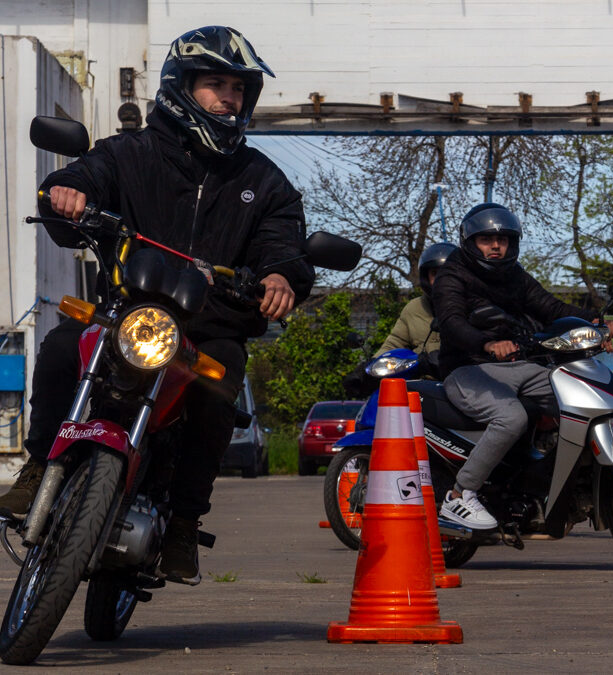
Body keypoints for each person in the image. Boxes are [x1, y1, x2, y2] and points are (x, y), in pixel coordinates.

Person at [0, 26, 315, 582]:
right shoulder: (130, 153)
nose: (229, 98)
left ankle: (185, 524)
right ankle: (37, 466)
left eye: (238, 89)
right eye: (215, 84)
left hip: (209, 327)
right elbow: (85, 176)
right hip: (126, 312)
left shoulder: (263, 181)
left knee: (219, 394)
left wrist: (281, 277)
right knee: (60, 347)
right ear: (181, 87)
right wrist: (68, 190)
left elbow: (283, 244)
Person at [433, 203, 613, 529]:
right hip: (467, 368)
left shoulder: (514, 275)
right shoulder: (453, 274)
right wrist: (486, 344)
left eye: (502, 239)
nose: (495, 246)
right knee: (511, 417)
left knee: (581, 395)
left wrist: (595, 323)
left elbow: (550, 306)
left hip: (518, 366)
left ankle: (561, 484)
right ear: (470, 242)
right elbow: (451, 322)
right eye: (486, 240)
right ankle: (460, 495)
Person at [375, 242, 456, 356]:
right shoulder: (415, 308)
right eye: (435, 274)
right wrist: (371, 366)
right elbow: (394, 343)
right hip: (424, 373)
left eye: (448, 273)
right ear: (426, 279)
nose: (442, 280)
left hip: (468, 372)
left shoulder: (475, 305)